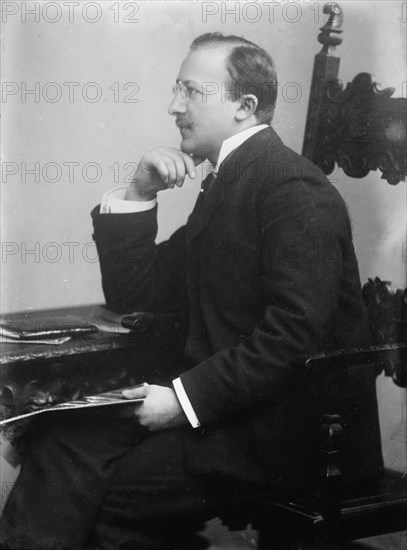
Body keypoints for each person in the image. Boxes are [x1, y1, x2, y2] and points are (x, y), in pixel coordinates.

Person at [0, 33, 383, 550]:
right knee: (58, 439)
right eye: (175, 89)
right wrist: (138, 193)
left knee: (109, 489)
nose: (173, 106)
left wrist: (182, 402)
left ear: (245, 106)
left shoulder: (293, 190)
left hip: (291, 433)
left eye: (191, 92)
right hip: (233, 411)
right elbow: (139, 295)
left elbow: (294, 338)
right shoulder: (232, 181)